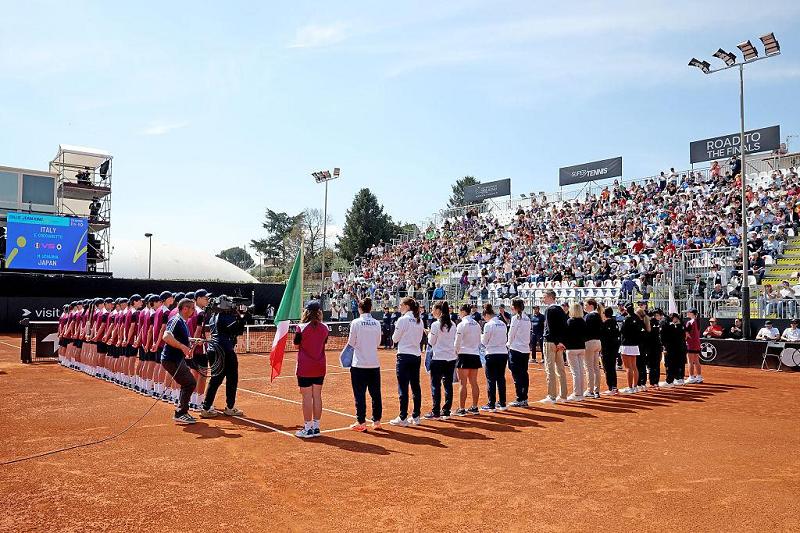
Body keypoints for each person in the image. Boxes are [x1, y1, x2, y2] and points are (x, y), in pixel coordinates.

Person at [202, 296, 246, 418]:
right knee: (232, 379)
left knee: (215, 379)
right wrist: (242, 316)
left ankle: (206, 407)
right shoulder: (227, 317)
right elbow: (238, 331)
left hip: (213, 349)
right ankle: (230, 407)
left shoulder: (213, 317)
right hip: (225, 350)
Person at [292, 301, 329, 438]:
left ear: (306, 312)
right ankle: (316, 427)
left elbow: (296, 345)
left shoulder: (300, 327)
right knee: (317, 396)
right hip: (320, 366)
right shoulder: (325, 327)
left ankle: (307, 428)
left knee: (307, 396)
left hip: (305, 367)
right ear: (319, 312)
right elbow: (323, 343)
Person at [160, 298, 198, 425]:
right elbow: (166, 336)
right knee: (190, 383)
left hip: (175, 359)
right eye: (192, 308)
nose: (194, 310)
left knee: (188, 383)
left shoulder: (182, 321)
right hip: (171, 359)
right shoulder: (176, 320)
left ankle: (182, 411)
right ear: (185, 308)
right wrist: (182, 346)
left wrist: (192, 340)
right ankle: (181, 413)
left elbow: (180, 337)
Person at [347, 297, 383, 432]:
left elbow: (351, 343)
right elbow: (378, 342)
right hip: (374, 364)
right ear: (370, 308)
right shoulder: (377, 323)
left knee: (359, 394)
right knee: (376, 394)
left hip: (359, 365)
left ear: (360, 309)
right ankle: (377, 421)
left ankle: (361, 422)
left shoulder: (355, 323)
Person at [389, 297, 424, 427]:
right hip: (416, 356)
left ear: (407, 306)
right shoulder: (419, 320)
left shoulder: (402, 320)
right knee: (416, 386)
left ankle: (403, 417)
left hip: (404, 356)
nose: (399, 307)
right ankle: (416, 416)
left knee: (403, 387)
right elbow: (420, 338)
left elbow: (395, 338)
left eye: (401, 305)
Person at [425, 301, 458, 420]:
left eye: (433, 309)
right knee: (448, 384)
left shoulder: (435, 325)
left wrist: (429, 334)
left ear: (439, 311)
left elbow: (431, 342)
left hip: (438, 358)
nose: (432, 312)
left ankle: (436, 411)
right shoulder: (453, 324)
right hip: (450, 358)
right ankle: (446, 410)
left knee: (435, 385)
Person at [539, 290, 569, 404]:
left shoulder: (549, 310)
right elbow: (564, 327)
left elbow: (550, 327)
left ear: (550, 297)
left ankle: (551, 396)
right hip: (559, 344)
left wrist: (557, 342)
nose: (543, 298)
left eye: (544, 296)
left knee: (550, 369)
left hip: (550, 342)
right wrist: (561, 342)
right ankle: (563, 395)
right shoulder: (561, 310)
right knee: (560, 369)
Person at [480, 303, 509, 411]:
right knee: (501, 378)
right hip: (503, 353)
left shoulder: (488, 325)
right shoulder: (502, 323)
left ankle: (491, 403)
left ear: (486, 315)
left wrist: (481, 336)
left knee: (491, 379)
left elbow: (484, 341)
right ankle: (502, 402)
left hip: (492, 353)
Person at [454, 303, 482, 416]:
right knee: (474, 382)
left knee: (463, 383)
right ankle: (475, 407)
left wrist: (456, 352)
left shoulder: (462, 324)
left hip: (464, 355)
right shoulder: (476, 324)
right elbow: (479, 341)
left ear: (463, 312)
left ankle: (461, 408)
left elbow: (457, 342)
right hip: (475, 354)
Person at [507, 299, 532, 407]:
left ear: (515, 307)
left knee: (517, 375)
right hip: (525, 349)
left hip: (516, 349)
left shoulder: (515, 318)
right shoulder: (527, 318)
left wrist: (508, 344)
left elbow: (511, 334)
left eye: (512, 305)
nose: (511, 307)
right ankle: (524, 397)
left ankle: (520, 398)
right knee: (524, 374)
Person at [564, 303, 587, 402]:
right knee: (581, 371)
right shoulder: (583, 321)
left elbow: (566, 335)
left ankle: (577, 393)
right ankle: (580, 392)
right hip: (581, 347)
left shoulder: (569, 321)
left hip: (572, 348)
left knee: (575, 372)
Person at [619, 304, 643, 394]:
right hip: (634, 344)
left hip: (626, 344)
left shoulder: (627, 318)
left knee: (628, 367)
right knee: (634, 366)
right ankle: (635, 386)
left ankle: (630, 387)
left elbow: (622, 330)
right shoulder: (637, 318)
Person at [583, 299, 603, 398]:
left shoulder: (589, 316)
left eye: (586, 305)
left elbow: (584, 330)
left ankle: (590, 390)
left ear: (591, 305)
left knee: (589, 367)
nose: (584, 306)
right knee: (595, 367)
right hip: (598, 342)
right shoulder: (598, 316)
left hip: (589, 342)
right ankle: (596, 390)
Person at [660, 313, 686, 387]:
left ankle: (670, 381)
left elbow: (664, 338)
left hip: (672, 349)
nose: (675, 319)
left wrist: (665, 347)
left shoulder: (673, 327)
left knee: (670, 364)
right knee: (676, 364)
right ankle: (677, 379)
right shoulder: (679, 326)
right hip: (677, 349)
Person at [599, 307, 620, 395]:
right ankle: (614, 387)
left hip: (607, 349)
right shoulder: (615, 322)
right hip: (614, 349)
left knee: (608, 368)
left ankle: (611, 387)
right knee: (612, 368)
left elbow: (602, 337)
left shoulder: (605, 323)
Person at [634, 308, 652, 391]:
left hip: (639, 348)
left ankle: (638, 384)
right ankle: (643, 383)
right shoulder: (646, 324)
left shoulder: (639, 324)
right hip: (644, 348)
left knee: (638, 366)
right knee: (642, 366)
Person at [644, 309, 663, 388]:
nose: (661, 316)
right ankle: (655, 382)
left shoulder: (657, 322)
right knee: (654, 365)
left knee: (653, 365)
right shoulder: (652, 322)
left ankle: (654, 382)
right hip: (653, 347)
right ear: (655, 315)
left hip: (654, 347)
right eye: (659, 315)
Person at [685, 309, 703, 384]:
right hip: (697, 344)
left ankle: (691, 377)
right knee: (696, 361)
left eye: (688, 312)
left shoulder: (690, 322)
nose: (687, 313)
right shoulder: (697, 321)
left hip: (691, 344)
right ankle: (699, 377)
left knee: (690, 361)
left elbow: (686, 334)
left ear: (692, 313)